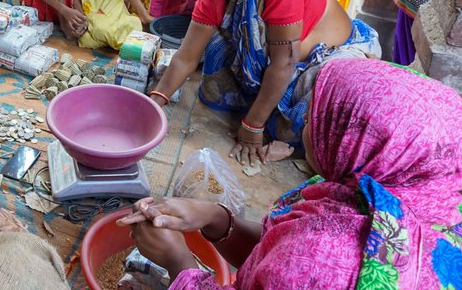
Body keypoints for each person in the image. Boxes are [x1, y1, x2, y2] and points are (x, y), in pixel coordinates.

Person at [122, 58, 462, 289]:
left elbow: (291, 261)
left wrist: (178, 261)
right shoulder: (389, 187)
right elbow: (275, 248)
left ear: (358, 140)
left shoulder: (324, 259)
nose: (304, 126)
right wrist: (215, 218)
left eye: (316, 118)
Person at [148, 0, 380, 164]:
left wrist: (252, 127)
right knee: (214, 63)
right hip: (283, 62)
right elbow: (186, 57)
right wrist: (155, 101)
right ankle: (264, 103)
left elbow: (284, 63)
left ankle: (268, 111)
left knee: (298, 128)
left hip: (325, 59)